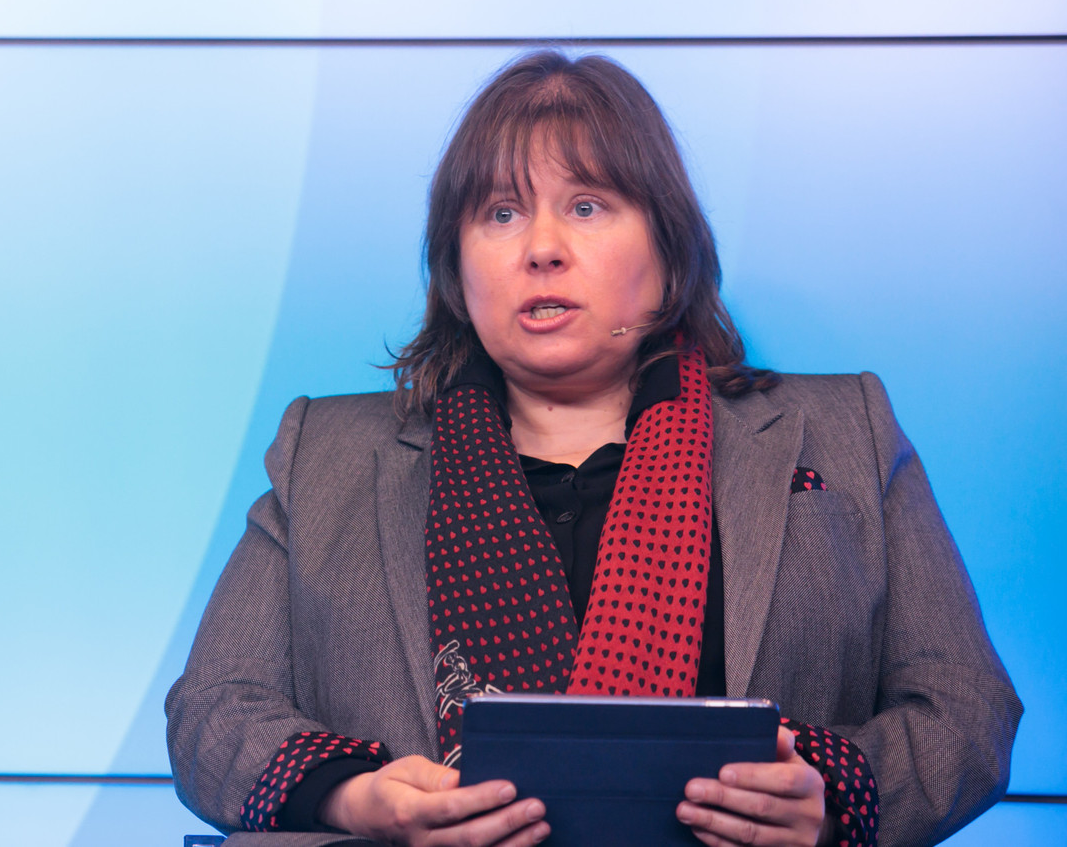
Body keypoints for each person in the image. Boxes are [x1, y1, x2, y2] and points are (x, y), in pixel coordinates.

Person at [166, 51, 1021, 847]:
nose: (542, 248)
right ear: (456, 266)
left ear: (668, 244)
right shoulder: (326, 453)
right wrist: (357, 795)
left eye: (587, 206)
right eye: (501, 213)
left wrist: (833, 795)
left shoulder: (846, 429)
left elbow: (965, 708)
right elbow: (211, 712)